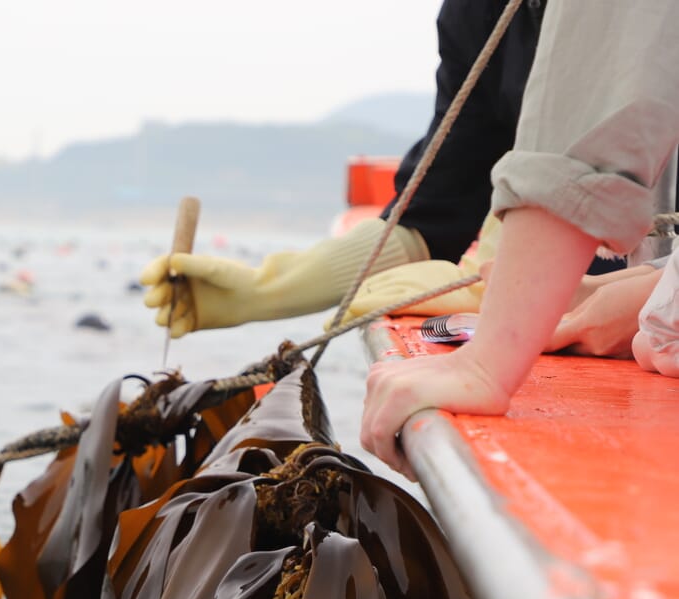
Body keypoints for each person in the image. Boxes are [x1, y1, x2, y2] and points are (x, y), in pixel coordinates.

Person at [361, 0, 679, 479]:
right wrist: (647, 284)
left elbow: (602, 95)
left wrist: (489, 363)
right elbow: (439, 196)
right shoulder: (477, 15)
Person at [141, 0, 551, 336]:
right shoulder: (478, 13)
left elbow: (580, 157)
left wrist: (519, 280)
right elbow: (435, 214)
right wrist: (263, 290)